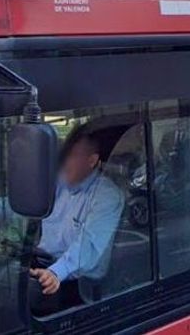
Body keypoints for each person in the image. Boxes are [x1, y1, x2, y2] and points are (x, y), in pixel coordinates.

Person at [27, 127, 123, 314]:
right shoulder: (60, 184)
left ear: (92, 161)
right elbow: (28, 201)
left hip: (77, 285)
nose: (64, 162)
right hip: (42, 266)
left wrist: (56, 272)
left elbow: (88, 245)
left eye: (71, 156)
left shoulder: (106, 195)